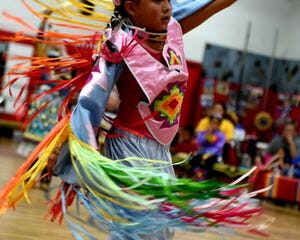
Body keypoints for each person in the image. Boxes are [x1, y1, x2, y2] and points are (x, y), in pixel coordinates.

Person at [1, 1, 263, 239]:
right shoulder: (117, 47)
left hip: (160, 154)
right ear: (131, 7)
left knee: (158, 232)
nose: (166, 6)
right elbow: (90, 101)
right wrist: (88, 156)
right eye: (157, 0)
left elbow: (211, 4)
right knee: (139, 231)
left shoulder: (172, 26)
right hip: (129, 151)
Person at [191, 113, 226, 180]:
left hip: (214, 155)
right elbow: (200, 142)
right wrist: (208, 134)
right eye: (212, 122)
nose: (214, 125)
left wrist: (210, 153)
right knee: (193, 160)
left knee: (209, 163)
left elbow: (218, 147)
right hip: (203, 152)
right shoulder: (204, 133)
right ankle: (199, 175)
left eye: (216, 123)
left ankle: (204, 177)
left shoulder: (221, 135)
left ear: (219, 125)